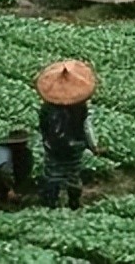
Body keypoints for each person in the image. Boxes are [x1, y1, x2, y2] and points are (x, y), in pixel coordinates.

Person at [35, 60, 101, 210]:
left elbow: (43, 128)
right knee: (73, 173)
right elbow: (86, 128)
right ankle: (73, 203)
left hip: (52, 147)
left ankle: (49, 203)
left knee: (53, 172)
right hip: (74, 147)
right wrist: (93, 146)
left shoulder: (47, 108)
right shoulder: (81, 109)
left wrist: (46, 141)